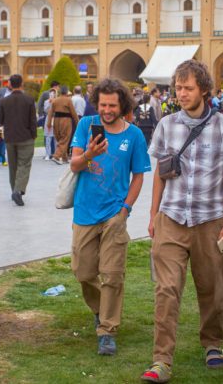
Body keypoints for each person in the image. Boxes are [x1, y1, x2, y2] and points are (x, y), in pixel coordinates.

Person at [140, 60, 223, 383]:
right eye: (178, 88)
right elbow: (160, 173)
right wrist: (154, 215)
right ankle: (161, 360)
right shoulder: (166, 125)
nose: (181, 94)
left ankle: (213, 343)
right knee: (166, 289)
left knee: (212, 287)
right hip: (171, 218)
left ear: (204, 90)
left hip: (211, 219)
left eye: (188, 88)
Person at [69, 78, 151, 356]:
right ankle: (100, 309)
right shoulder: (86, 125)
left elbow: (138, 176)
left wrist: (125, 210)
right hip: (85, 211)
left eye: (112, 105)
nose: (106, 110)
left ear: (122, 105)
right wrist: (90, 153)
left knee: (113, 274)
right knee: (83, 271)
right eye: (102, 104)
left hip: (115, 214)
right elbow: (74, 165)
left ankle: (107, 330)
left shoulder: (134, 136)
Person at [0, 74, 38, 206]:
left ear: (10, 84)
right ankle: (18, 190)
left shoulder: (4, 101)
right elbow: (33, 120)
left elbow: (0, 120)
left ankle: (14, 190)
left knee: (13, 166)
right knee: (24, 165)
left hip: (10, 138)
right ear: (21, 84)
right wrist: (34, 135)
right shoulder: (29, 100)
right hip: (26, 137)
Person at [48, 85, 79, 164]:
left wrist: (49, 123)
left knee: (60, 138)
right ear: (66, 92)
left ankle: (65, 158)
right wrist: (78, 122)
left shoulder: (55, 100)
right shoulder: (68, 100)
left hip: (56, 120)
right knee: (65, 138)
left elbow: (50, 112)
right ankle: (57, 156)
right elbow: (73, 112)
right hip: (65, 121)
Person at [43, 88, 57, 160]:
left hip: (56, 119)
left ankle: (56, 154)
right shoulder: (46, 101)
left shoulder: (57, 101)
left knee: (56, 138)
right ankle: (47, 154)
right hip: (49, 119)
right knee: (48, 137)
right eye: (51, 93)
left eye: (53, 93)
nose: (52, 95)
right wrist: (49, 103)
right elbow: (45, 110)